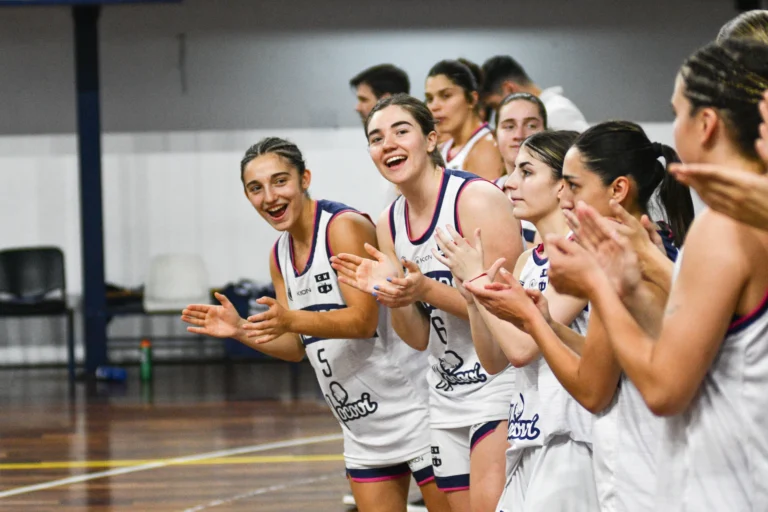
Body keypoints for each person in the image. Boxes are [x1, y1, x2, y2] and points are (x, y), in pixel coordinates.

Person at [545, 38, 768, 512]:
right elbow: (703, 345)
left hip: (726, 487)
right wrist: (633, 282)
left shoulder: (723, 228)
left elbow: (664, 388)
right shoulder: (747, 221)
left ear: (706, 123)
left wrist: (599, 289)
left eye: (677, 113)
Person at [181, 137, 446, 512]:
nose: (270, 197)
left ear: (304, 178)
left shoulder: (342, 227)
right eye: (256, 188)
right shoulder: (279, 255)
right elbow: (294, 346)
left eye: (280, 181)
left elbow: (362, 321)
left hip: (415, 411)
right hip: (362, 428)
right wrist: (241, 330)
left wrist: (290, 318)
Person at [471, 121, 693, 512]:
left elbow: (594, 390)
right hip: (627, 451)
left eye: (573, 185)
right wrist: (548, 324)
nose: (564, 195)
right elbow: (612, 354)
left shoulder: (621, 256)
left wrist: (535, 321)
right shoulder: (649, 248)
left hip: (636, 457)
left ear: (617, 189)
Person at [332, 94, 523, 512]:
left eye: (401, 131)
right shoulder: (388, 221)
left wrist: (426, 291)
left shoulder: (475, 199)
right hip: (444, 393)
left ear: (431, 139)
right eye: (376, 138)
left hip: (499, 384)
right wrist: (394, 295)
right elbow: (418, 338)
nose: (388, 144)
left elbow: (512, 312)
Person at [433, 130, 598, 512]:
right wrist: (472, 297)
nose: (509, 182)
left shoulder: (582, 250)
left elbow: (525, 348)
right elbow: (496, 361)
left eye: (526, 172)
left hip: (572, 434)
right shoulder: (527, 260)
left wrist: (477, 279)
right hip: (529, 431)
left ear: (562, 185)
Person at [425, 59, 504, 180]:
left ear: (471, 99)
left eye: (446, 96)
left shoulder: (487, 149)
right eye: (430, 98)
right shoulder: (444, 148)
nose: (434, 106)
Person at [494, 92, 549, 245]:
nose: (519, 135)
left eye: (531, 125)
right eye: (509, 126)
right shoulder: (483, 192)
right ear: (495, 135)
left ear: (546, 133)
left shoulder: (558, 195)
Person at [480, 55, 588, 132]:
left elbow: (587, 155)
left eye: (495, 105)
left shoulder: (556, 113)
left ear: (510, 89)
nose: (498, 112)